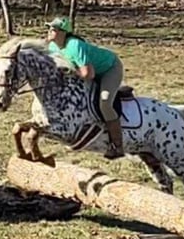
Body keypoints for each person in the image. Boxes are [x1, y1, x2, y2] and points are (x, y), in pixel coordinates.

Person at [45, 16, 125, 159]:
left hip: (109, 69)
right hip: (87, 72)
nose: (50, 31)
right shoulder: (52, 47)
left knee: (105, 102)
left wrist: (69, 71)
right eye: (49, 28)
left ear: (63, 33)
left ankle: (117, 145)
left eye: (54, 29)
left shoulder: (75, 46)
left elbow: (88, 74)